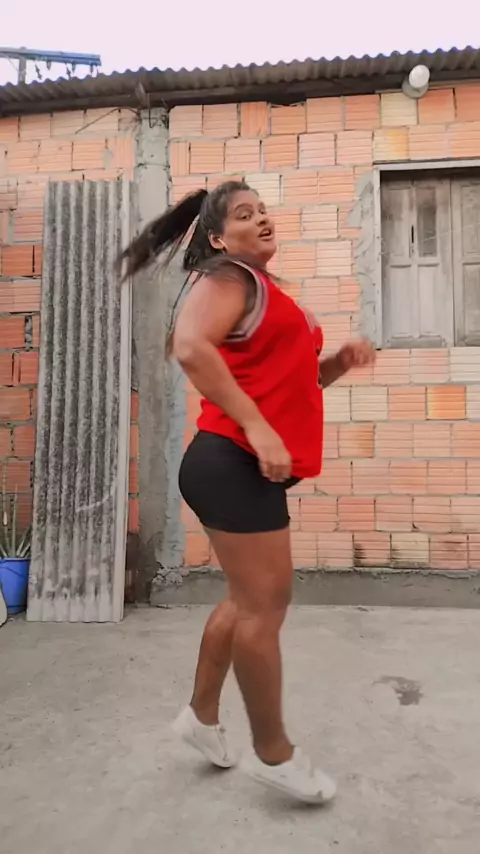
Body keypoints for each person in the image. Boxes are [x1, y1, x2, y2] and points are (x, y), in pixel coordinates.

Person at [120, 180, 375, 804]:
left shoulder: (264, 290)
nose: (262, 219)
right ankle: (275, 754)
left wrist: (336, 364)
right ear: (217, 238)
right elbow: (189, 346)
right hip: (231, 458)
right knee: (266, 606)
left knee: (246, 602)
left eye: (262, 210)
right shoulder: (228, 277)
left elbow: (290, 381)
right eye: (244, 214)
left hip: (239, 463)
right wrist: (258, 428)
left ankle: (201, 718)